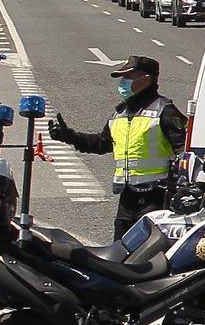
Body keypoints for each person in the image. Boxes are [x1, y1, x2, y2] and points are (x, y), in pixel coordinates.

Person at [47, 56, 187, 239]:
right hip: (127, 199)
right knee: (119, 256)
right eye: (122, 78)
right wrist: (69, 136)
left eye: (128, 78)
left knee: (149, 258)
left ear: (146, 79)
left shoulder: (164, 111)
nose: (123, 83)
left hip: (156, 198)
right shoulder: (120, 113)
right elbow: (102, 143)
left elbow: (184, 150)